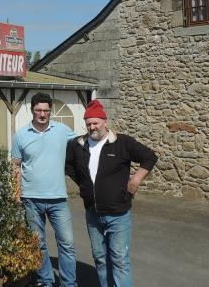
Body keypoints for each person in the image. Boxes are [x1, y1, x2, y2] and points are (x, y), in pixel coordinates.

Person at [65, 99, 157, 287]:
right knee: (100, 258)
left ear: (105, 122)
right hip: (93, 214)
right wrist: (84, 185)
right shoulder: (77, 144)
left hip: (118, 214)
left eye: (96, 123)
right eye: (88, 123)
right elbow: (69, 166)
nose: (92, 127)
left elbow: (149, 157)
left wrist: (136, 180)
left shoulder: (122, 142)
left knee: (119, 259)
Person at [11, 92, 77, 287]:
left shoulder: (63, 131)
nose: (42, 114)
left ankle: (69, 284)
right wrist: (15, 192)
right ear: (32, 111)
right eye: (38, 110)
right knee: (38, 244)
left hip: (58, 198)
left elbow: (83, 147)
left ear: (50, 111)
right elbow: (15, 165)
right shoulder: (21, 135)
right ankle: (45, 281)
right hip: (31, 198)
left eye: (46, 111)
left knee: (67, 245)